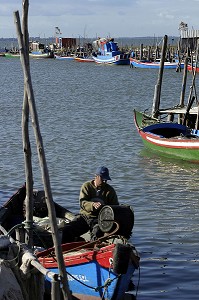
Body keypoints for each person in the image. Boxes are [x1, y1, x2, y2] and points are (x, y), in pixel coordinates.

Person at [62, 166, 119, 243]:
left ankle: (93, 248)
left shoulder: (110, 190)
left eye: (106, 180)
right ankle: (72, 245)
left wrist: (105, 209)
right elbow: (82, 202)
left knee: (97, 234)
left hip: (99, 219)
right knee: (67, 230)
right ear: (96, 177)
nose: (105, 182)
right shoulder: (86, 186)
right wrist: (92, 205)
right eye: (103, 179)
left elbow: (115, 206)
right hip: (85, 217)